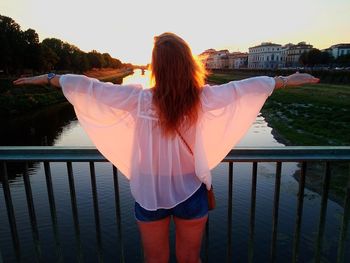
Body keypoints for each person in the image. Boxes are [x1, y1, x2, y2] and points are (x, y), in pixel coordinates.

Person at [14, 32, 319, 263]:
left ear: (155, 66)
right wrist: (288, 79)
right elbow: (245, 89)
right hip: (191, 190)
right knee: (190, 260)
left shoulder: (137, 99)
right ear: (189, 63)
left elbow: (89, 87)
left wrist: (49, 78)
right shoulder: (202, 98)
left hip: (150, 192)